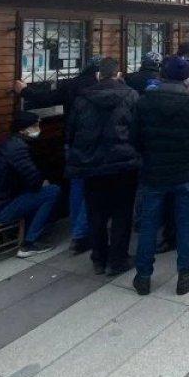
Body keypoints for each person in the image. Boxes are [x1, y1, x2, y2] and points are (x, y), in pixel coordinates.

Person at [130, 56, 189, 297]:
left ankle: (143, 276)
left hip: (153, 172)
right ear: (187, 78)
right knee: (185, 223)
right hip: (185, 172)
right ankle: (185, 273)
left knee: (149, 224)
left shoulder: (145, 101)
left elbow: (134, 137)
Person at [15, 59, 102, 254]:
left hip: (71, 143)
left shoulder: (71, 85)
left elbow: (46, 98)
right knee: (92, 188)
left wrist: (24, 91)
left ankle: (76, 230)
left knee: (77, 186)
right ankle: (81, 234)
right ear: (98, 73)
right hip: (95, 146)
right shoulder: (101, 88)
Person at [66, 58, 141, 277]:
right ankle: (118, 259)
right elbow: (138, 129)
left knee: (95, 213)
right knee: (122, 212)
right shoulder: (131, 96)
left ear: (99, 75)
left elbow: (71, 132)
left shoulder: (83, 99)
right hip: (123, 164)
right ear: (118, 74)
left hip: (91, 165)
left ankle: (98, 258)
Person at [0, 111, 59, 258]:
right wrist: (42, 182)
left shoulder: (9, 143)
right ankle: (29, 244)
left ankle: (29, 234)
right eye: (34, 126)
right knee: (53, 191)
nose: (38, 128)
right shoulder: (17, 148)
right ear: (23, 129)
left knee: (40, 193)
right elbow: (34, 180)